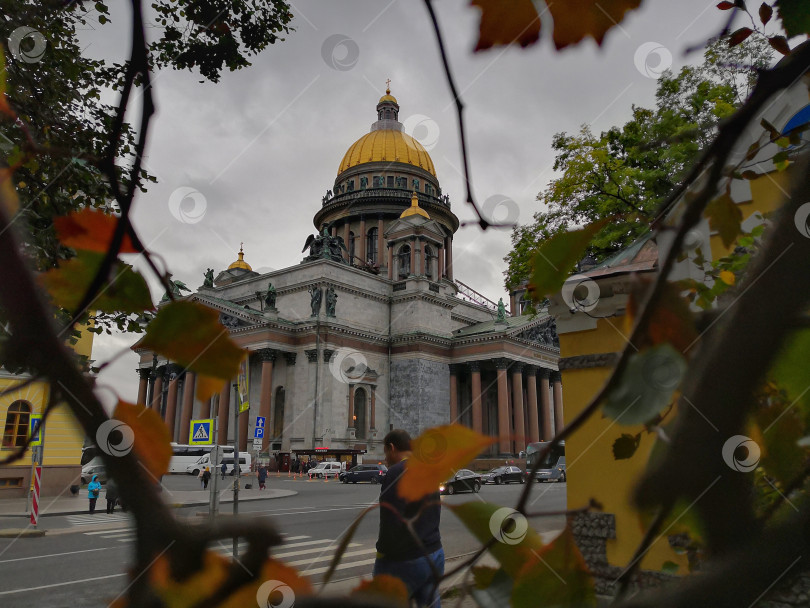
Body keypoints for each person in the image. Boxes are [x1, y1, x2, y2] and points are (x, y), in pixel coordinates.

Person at [374, 430, 444, 608]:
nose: (386, 459)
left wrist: (383, 554)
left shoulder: (395, 472)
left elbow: (390, 520)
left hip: (406, 559)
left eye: (386, 453)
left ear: (392, 448)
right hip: (434, 553)